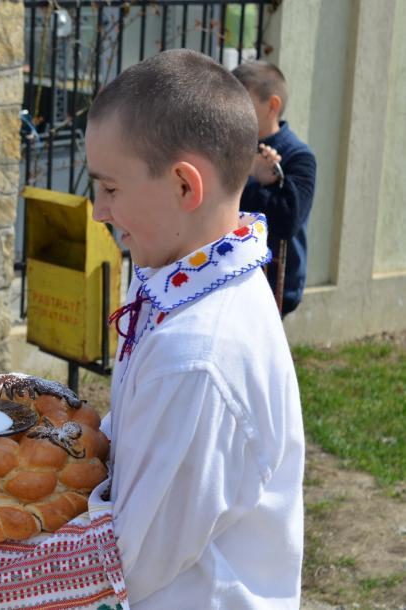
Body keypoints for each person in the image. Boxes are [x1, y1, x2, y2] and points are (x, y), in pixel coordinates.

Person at [85, 49, 304, 607]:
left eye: (109, 188)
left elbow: (128, 559)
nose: (98, 211)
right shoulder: (172, 277)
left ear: (185, 186)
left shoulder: (198, 356)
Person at [233, 60, 317, 316]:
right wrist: (253, 174)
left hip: (274, 284)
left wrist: (249, 180)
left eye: (243, 103)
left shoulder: (298, 157)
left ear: (272, 106)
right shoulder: (228, 148)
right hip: (230, 275)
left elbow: (286, 220)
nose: (234, 111)